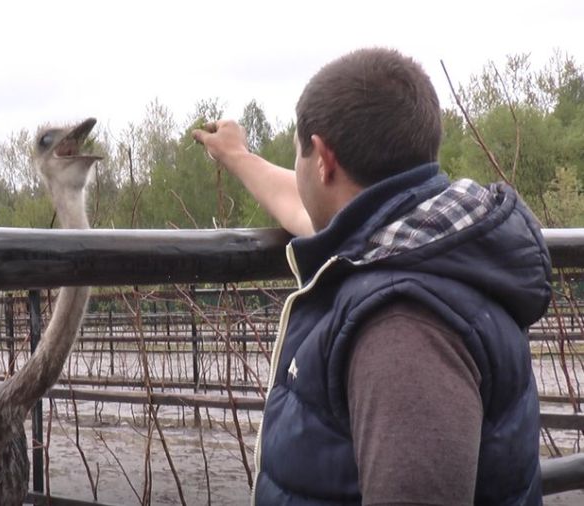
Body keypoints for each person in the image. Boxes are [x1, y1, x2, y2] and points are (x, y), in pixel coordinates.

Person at [193, 48, 551, 505]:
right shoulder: (419, 239)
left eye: (299, 154)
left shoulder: (403, 326)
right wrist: (236, 155)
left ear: (322, 159)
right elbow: (306, 205)